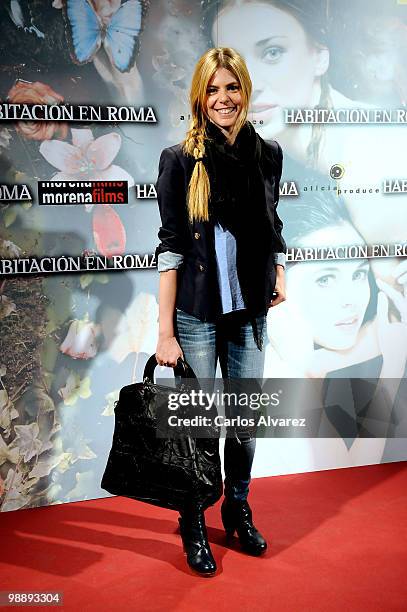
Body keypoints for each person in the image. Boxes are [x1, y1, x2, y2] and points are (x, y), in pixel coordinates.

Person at [155, 46, 287, 576]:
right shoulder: (181, 159)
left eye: (231, 88)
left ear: (245, 91)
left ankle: (236, 507)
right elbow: (170, 250)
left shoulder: (267, 153)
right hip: (198, 314)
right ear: (199, 96)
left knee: (246, 424)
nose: (223, 99)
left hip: (249, 312)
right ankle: (194, 521)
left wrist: (278, 270)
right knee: (199, 427)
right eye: (213, 89)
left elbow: (272, 224)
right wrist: (165, 333)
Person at [207, 0, 407, 286]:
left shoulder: (368, 161)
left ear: (319, 56)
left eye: (272, 53)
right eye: (231, 64)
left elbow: (395, 316)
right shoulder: (266, 152)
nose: (248, 84)